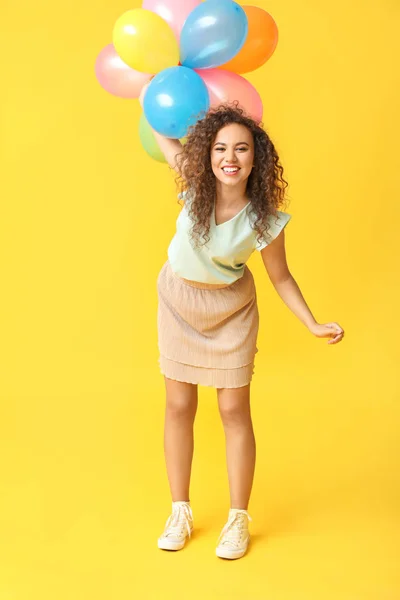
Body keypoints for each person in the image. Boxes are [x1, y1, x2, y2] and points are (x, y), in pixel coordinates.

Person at [141, 98, 344, 560]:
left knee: (233, 410)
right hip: (177, 300)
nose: (229, 158)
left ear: (258, 157)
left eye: (241, 148)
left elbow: (281, 277)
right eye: (219, 148)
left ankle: (237, 519)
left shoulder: (264, 219)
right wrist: (149, 92)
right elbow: (163, 136)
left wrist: (311, 322)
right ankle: (180, 509)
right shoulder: (194, 186)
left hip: (230, 311)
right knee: (178, 403)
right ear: (206, 156)